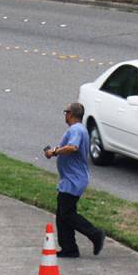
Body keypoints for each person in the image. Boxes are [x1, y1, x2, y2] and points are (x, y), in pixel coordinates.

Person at [44, 102, 105, 258]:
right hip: (70, 179)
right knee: (62, 214)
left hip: (74, 180)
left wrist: (55, 151)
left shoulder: (76, 129)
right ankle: (69, 248)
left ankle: (95, 234)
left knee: (67, 213)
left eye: (66, 112)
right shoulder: (78, 129)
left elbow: (73, 147)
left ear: (70, 114)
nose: (65, 115)